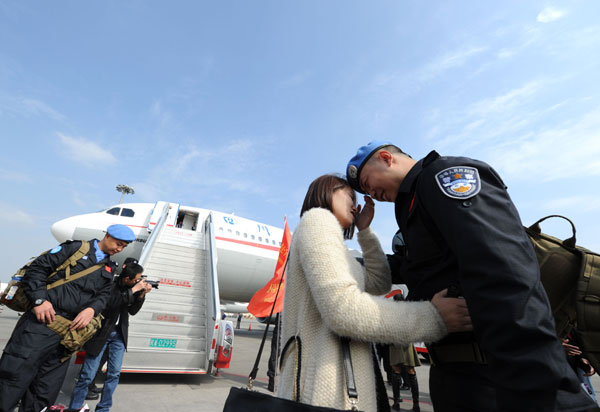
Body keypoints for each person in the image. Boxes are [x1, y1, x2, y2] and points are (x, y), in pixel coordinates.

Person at [346, 141, 596, 411]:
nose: (369, 192)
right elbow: (404, 269)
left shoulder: (443, 175)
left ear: (386, 158)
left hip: (498, 372)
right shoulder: (412, 206)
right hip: (460, 374)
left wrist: (532, 376)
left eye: (366, 181)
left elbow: (503, 268)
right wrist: (344, 258)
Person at [277, 174, 471, 412]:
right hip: (325, 390)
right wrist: (434, 317)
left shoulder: (341, 252)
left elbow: (379, 282)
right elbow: (344, 310)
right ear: (326, 191)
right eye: (348, 194)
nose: (354, 203)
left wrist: (365, 232)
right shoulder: (317, 219)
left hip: (340, 389)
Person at [0, 224, 135, 412]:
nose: (119, 249)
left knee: (45, 390)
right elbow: (37, 269)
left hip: (66, 337)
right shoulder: (74, 249)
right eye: (118, 244)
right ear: (107, 236)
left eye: (123, 247)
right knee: (12, 379)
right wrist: (39, 301)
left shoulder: (110, 268)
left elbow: (104, 295)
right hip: (39, 326)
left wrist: (91, 309)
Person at [69, 261, 151, 412]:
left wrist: (142, 295)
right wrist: (133, 290)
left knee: (114, 374)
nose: (137, 282)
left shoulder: (131, 289)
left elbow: (132, 311)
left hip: (119, 335)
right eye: (135, 279)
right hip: (101, 334)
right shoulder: (111, 285)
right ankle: (74, 408)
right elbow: (111, 303)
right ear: (127, 278)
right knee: (88, 375)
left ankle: (103, 408)